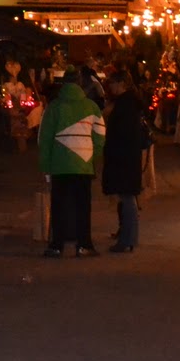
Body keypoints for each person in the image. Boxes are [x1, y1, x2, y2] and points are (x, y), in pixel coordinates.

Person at [37, 71, 105, 258]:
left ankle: (56, 246)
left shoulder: (54, 107)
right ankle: (84, 245)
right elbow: (100, 136)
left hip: (60, 165)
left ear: (63, 84)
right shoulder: (91, 106)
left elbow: (44, 139)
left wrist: (46, 167)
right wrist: (91, 157)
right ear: (79, 83)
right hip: (83, 166)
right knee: (82, 207)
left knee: (59, 206)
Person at [101, 72, 149, 253]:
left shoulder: (125, 105)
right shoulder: (130, 103)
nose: (110, 87)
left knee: (128, 198)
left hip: (124, 156)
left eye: (113, 84)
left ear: (121, 84)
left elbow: (121, 133)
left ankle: (128, 239)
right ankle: (129, 238)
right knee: (128, 197)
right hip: (128, 156)